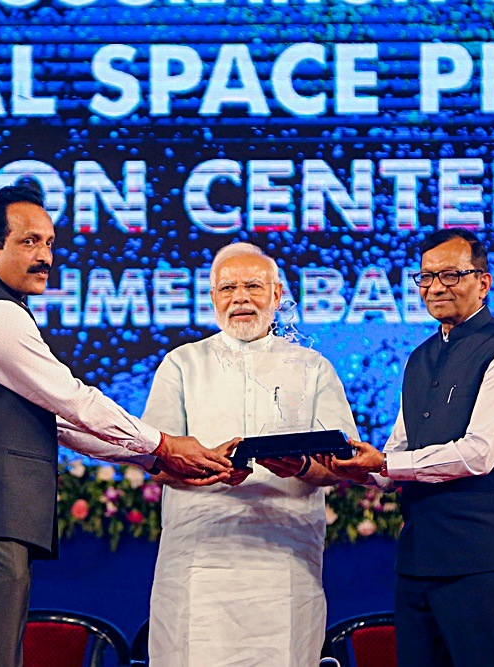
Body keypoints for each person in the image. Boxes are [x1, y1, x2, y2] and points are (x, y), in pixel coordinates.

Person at [0, 184, 232, 667]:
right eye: (29, 242)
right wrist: (163, 443)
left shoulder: (2, 311)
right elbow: (73, 401)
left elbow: (56, 425)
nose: (45, 256)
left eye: (49, 243)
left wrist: (152, 458)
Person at [323, 229, 494, 667]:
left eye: (450, 275)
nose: (436, 287)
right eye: (425, 278)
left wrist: (387, 462)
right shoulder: (420, 357)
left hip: (483, 562)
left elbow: (478, 453)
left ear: (483, 282)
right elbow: (398, 452)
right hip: (419, 561)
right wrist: (358, 468)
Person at [141, 242, 359, 666]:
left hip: (284, 560)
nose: (240, 298)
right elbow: (155, 462)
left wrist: (300, 466)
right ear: (212, 299)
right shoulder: (181, 364)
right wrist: (206, 467)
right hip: (197, 558)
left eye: (253, 286)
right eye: (228, 288)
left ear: (277, 295)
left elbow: (344, 461)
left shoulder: (313, 366)